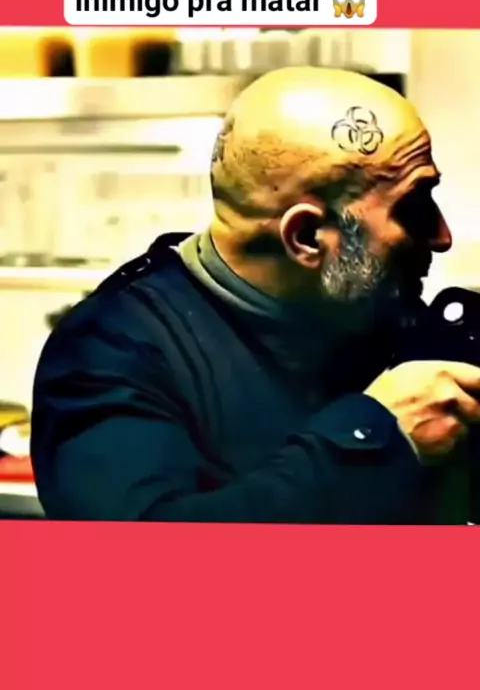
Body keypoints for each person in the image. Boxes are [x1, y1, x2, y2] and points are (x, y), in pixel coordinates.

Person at [31, 67, 480, 523]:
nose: (442, 236)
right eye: (413, 208)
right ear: (306, 237)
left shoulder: (369, 309)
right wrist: (375, 437)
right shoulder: (110, 356)